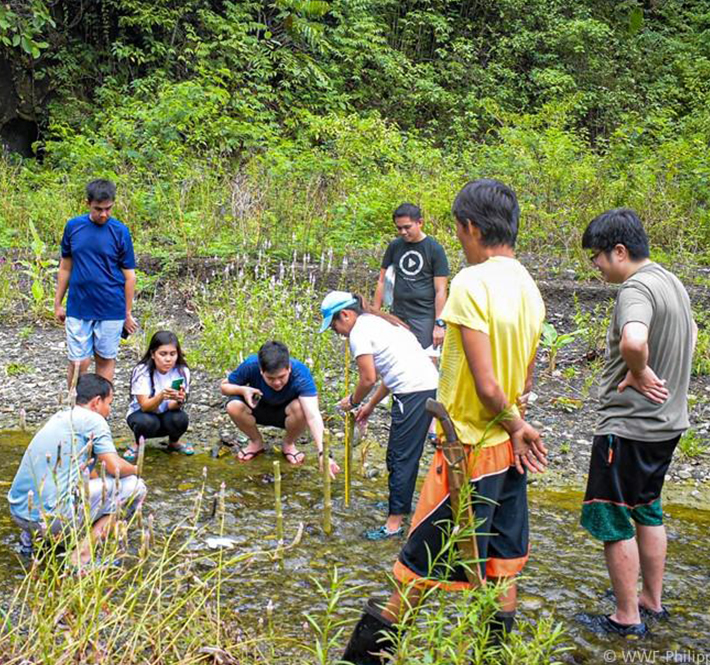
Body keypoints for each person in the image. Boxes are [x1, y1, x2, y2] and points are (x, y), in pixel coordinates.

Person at [341, 179, 548, 663]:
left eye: (458, 230)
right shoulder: (528, 286)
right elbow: (522, 380)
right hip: (505, 452)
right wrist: (516, 425)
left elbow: (489, 386)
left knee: (414, 570)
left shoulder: (472, 283)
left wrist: (514, 423)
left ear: (471, 227)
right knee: (502, 567)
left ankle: (363, 661)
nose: (458, 238)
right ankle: (491, 657)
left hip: (466, 449)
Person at [575, 209, 697, 637]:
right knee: (648, 510)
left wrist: (641, 369)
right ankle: (651, 600)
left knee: (613, 517)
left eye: (597, 258)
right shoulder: (671, 282)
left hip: (628, 426)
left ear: (620, 251)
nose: (596, 267)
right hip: (667, 424)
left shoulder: (636, 288)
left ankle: (625, 616)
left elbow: (634, 339)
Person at [319, 291, 439, 540]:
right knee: (398, 455)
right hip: (420, 388)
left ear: (345, 314)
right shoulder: (381, 323)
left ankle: (393, 525)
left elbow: (368, 378)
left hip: (413, 392)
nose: (337, 332)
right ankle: (398, 505)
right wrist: (370, 405)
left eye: (334, 326)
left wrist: (353, 401)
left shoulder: (360, 332)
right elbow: (389, 373)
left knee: (401, 457)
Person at [7, 374, 147, 569]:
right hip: (52, 519)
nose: (109, 411)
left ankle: (32, 543)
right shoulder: (94, 420)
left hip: (20, 513)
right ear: (97, 402)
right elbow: (115, 467)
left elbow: (87, 474)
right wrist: (136, 468)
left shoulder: (61, 416)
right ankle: (80, 558)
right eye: (109, 403)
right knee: (135, 487)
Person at [54, 179, 138, 387]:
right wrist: (57, 303)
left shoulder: (120, 232)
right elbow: (65, 267)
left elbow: (130, 276)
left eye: (108, 209)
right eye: (98, 209)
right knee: (79, 362)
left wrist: (127, 313)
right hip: (79, 306)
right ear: (87, 203)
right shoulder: (74, 227)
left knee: (105, 359)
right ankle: (74, 408)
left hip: (111, 306)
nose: (104, 214)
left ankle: (100, 410)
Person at [221, 341, 340, 478]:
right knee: (233, 406)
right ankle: (256, 441)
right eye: (270, 378)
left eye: (282, 377)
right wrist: (243, 390)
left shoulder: (300, 373)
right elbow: (224, 387)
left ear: (289, 368)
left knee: (302, 408)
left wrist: (323, 454)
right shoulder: (251, 365)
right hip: (257, 407)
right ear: (261, 371)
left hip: (287, 413)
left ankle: (289, 443)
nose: (277, 383)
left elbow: (313, 415)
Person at [372, 203, 449, 351]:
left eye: (407, 227)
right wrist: (375, 312)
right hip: (398, 315)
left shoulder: (435, 249)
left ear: (420, 223)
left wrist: (439, 324)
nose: (403, 232)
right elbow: (382, 280)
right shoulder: (394, 246)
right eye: (399, 228)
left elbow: (441, 290)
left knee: (427, 361)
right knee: (397, 359)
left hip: (424, 316)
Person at [124, 330, 193, 461]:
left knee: (181, 418)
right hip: (143, 415)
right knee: (146, 422)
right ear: (153, 354)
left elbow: (173, 407)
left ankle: (174, 442)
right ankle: (138, 444)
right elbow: (144, 406)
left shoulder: (182, 371)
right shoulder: (141, 371)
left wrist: (179, 400)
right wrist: (161, 395)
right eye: (163, 354)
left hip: (166, 414)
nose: (168, 359)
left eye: (173, 354)